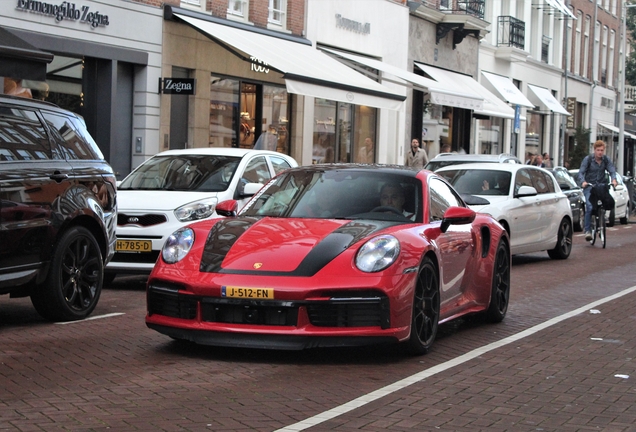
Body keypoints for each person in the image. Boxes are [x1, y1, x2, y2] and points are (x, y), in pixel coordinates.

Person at [578, 140, 618, 241]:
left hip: (601, 186)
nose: (600, 152)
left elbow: (612, 170)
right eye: (598, 150)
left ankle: (601, 224)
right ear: (594, 150)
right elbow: (581, 173)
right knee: (590, 206)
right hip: (590, 187)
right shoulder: (588, 160)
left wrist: (614, 180)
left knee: (605, 204)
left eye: (602, 150)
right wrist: (583, 182)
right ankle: (587, 230)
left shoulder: (605, 160)